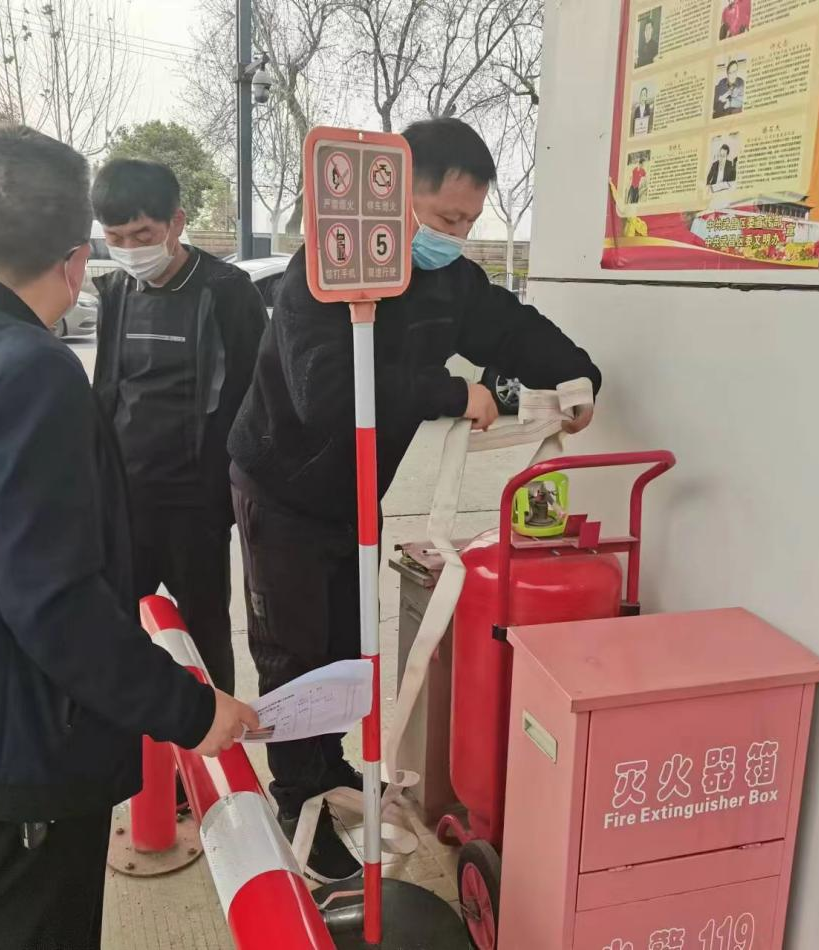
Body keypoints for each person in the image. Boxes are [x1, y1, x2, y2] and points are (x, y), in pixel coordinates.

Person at [0, 126, 258, 950]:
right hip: (12, 763)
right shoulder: (28, 367)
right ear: (76, 262)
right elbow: (55, 604)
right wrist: (189, 710)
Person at [228, 117, 602, 884]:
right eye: (444, 218)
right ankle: (297, 798)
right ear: (392, 197)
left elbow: (514, 330)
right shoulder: (322, 272)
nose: (454, 237)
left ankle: (329, 767)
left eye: (468, 222)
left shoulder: (450, 282)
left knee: (345, 641)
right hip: (283, 488)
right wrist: (452, 393)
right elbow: (325, 392)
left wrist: (576, 377)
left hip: (358, 490)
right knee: (294, 651)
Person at [91, 159, 266, 696]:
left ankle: (216, 736)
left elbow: (255, 397)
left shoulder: (227, 291)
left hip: (197, 508)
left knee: (205, 633)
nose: (130, 248)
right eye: (116, 237)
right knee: (119, 630)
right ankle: (136, 740)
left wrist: (231, 493)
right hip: (127, 500)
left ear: (177, 223)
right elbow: (106, 389)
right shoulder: (116, 290)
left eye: (143, 234)